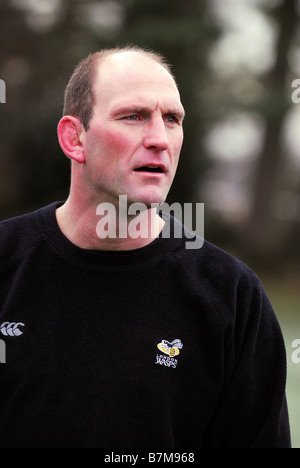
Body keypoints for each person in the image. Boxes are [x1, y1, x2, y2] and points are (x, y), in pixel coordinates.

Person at [0, 46, 291, 448]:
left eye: (172, 119)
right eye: (134, 116)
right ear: (74, 138)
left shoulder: (232, 296)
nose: (159, 139)